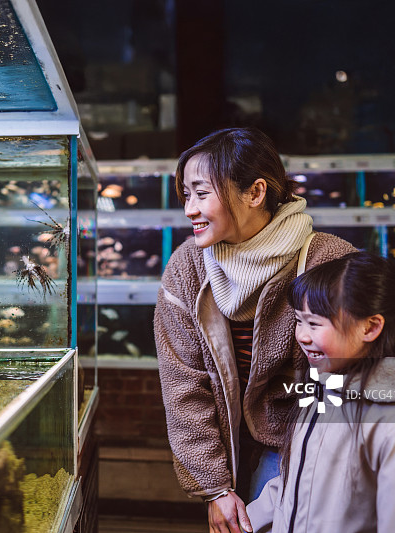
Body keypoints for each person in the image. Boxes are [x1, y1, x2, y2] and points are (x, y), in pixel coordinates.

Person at [154, 127, 356, 533]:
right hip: (226, 443)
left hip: (305, 438)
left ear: (256, 192)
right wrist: (213, 487)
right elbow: (182, 388)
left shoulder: (328, 261)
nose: (190, 209)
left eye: (201, 193)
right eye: (186, 195)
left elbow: (370, 367)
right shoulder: (186, 267)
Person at [246, 251, 395, 532]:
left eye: (316, 323)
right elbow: (296, 484)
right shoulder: (325, 391)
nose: (303, 336)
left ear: (370, 327)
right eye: (299, 320)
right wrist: (247, 522)